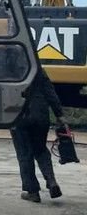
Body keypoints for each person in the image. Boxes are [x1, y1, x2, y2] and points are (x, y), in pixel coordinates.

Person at [11, 69, 65, 202]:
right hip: (40, 114)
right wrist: (59, 115)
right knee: (40, 149)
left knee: (24, 153)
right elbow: (50, 92)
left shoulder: (10, 68)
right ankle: (51, 181)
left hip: (19, 114)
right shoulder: (37, 68)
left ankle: (32, 192)